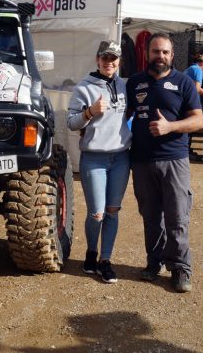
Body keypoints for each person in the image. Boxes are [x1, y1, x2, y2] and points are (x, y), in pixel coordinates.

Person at [126, 33, 203, 293]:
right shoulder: (135, 82)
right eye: (156, 52)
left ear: (172, 55)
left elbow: (198, 121)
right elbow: (123, 115)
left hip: (174, 160)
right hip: (141, 160)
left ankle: (181, 268)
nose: (161, 57)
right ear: (147, 54)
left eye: (165, 53)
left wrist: (170, 126)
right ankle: (154, 262)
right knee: (150, 217)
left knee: (177, 216)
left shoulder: (184, 83)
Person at [67, 40, 132, 284]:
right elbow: (71, 123)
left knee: (113, 211)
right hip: (94, 158)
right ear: (97, 59)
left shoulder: (125, 86)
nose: (109, 62)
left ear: (119, 61)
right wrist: (90, 112)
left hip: (121, 158)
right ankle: (91, 253)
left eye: (114, 58)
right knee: (97, 213)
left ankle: (105, 260)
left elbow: (131, 115)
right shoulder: (84, 87)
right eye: (105, 57)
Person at [183, 53, 203, 161]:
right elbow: (197, 89)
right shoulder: (198, 70)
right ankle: (187, 152)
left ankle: (187, 150)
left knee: (188, 126)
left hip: (183, 101)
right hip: (187, 102)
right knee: (190, 125)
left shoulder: (191, 68)